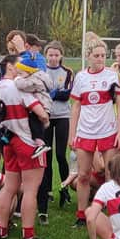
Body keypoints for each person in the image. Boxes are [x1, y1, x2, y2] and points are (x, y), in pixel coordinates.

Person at [68, 35, 120, 228]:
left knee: (110, 174)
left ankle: (113, 213)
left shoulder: (111, 75)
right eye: (97, 55)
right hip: (85, 132)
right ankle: (82, 215)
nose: (101, 59)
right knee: (83, 175)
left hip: (107, 131)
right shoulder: (81, 77)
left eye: (103, 55)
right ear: (89, 56)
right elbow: (76, 106)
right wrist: (72, 134)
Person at [0, 54, 50, 239]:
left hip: (8, 139)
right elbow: (40, 112)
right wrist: (45, 120)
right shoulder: (20, 86)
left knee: (9, 187)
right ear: (11, 67)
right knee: (31, 190)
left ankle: (0, 229)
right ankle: (28, 234)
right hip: (27, 141)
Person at [37, 41, 74, 224]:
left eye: (56, 55)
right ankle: (48, 191)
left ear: (61, 56)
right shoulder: (41, 71)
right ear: (46, 56)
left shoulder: (67, 72)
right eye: (50, 55)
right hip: (45, 116)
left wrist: (51, 93)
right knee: (47, 154)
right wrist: (54, 92)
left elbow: (66, 94)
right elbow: (39, 90)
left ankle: (65, 187)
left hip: (62, 116)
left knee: (60, 154)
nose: (53, 58)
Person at [8, 30, 53, 158]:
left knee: (35, 125)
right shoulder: (33, 72)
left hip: (39, 106)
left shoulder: (35, 70)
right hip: (26, 110)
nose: (39, 49)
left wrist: (17, 79)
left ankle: (40, 143)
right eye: (36, 45)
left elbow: (25, 85)